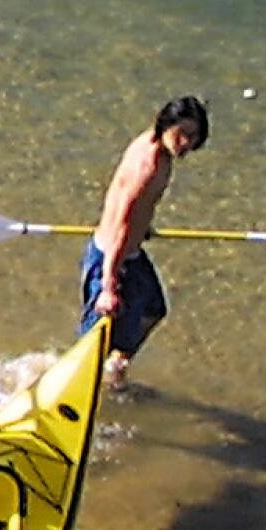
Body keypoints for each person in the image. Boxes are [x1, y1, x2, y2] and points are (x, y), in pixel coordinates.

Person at [82, 96, 209, 391]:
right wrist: (108, 286)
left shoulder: (152, 144)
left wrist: (143, 225)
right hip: (111, 257)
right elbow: (121, 224)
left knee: (154, 309)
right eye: (181, 134)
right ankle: (77, 395)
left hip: (130, 251)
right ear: (166, 126)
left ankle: (114, 369)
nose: (185, 143)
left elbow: (128, 206)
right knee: (92, 343)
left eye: (193, 137)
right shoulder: (148, 166)